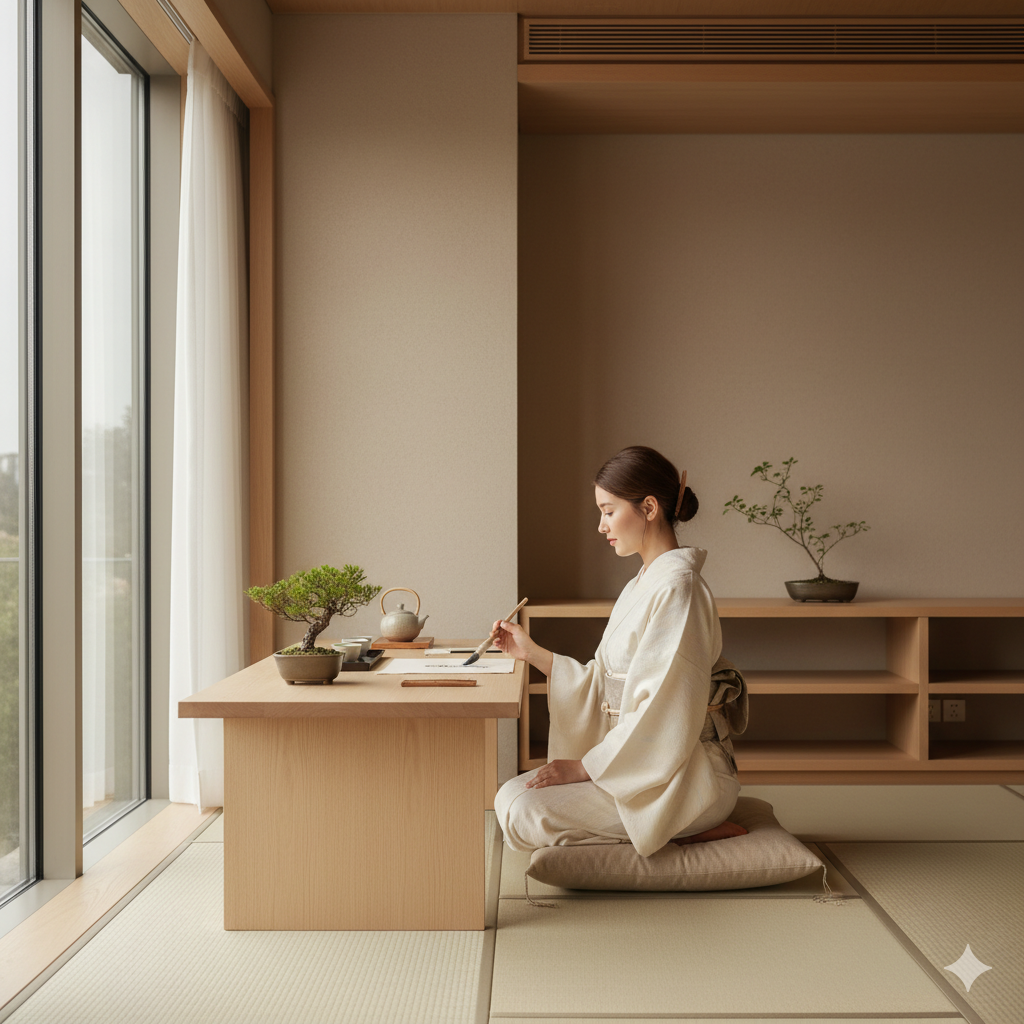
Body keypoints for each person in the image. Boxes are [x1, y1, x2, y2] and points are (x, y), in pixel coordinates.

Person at [492, 445, 748, 858]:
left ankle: (688, 823)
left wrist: (584, 767)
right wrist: (532, 652)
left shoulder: (679, 588)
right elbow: (604, 680)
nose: (601, 525)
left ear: (649, 507)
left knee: (524, 812)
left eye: (608, 511)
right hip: (633, 765)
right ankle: (662, 832)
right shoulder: (642, 582)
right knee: (508, 796)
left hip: (685, 776)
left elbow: (663, 709)